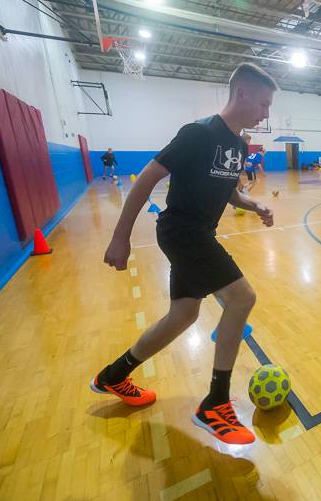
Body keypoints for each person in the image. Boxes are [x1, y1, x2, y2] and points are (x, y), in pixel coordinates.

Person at [93, 63, 277, 445]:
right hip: (181, 231)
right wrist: (120, 237)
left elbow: (230, 193)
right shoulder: (199, 133)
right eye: (263, 103)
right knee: (242, 298)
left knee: (184, 313)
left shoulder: (239, 145)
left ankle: (113, 375)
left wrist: (253, 204)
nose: (266, 113)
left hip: (197, 233)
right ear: (241, 93)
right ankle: (215, 403)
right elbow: (147, 177)